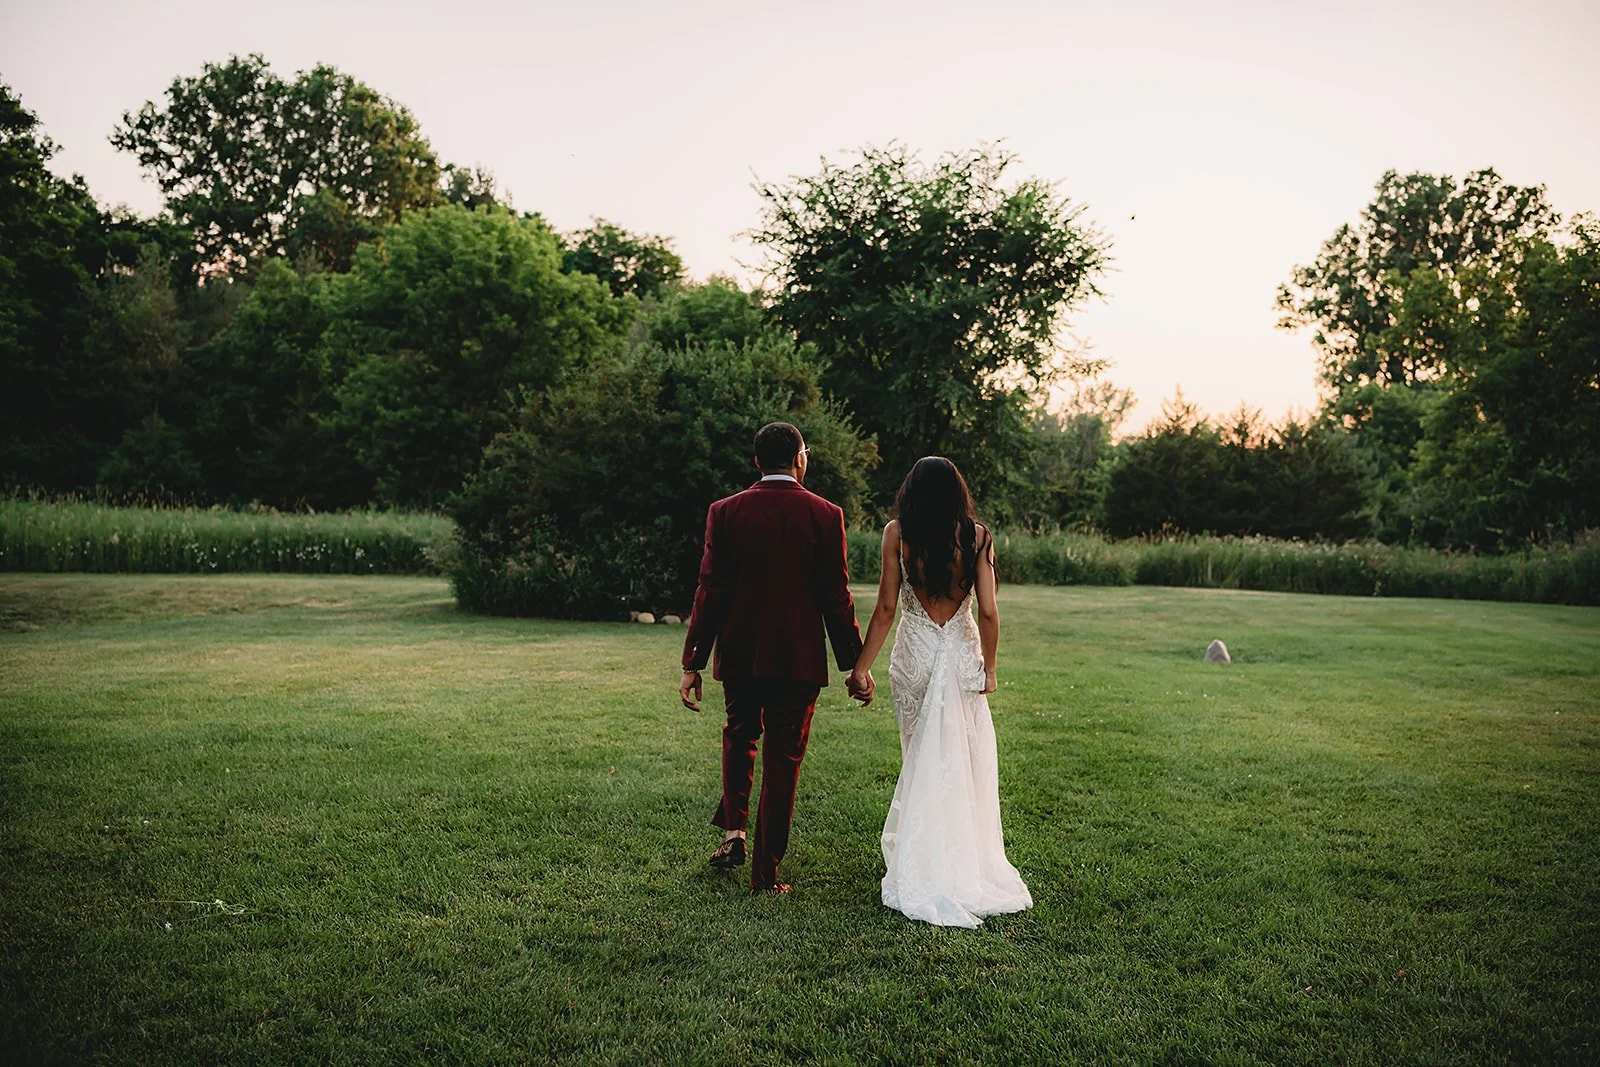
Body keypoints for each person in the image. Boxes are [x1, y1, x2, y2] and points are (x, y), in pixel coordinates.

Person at [679, 422, 869, 894]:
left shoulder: (724, 512)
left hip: (740, 655)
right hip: (797, 662)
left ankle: (733, 833)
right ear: (800, 459)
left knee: (739, 735)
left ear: (757, 461)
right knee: (783, 759)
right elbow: (836, 596)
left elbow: (710, 590)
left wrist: (693, 661)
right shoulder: (826, 514)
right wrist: (853, 665)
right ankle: (765, 875)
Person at [849, 456, 1032, 927]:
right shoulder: (977, 537)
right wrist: (989, 668)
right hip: (959, 650)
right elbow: (988, 611)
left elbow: (887, 607)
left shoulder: (897, 534)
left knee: (920, 758)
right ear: (958, 493)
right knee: (962, 761)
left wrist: (860, 669)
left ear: (911, 490)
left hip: (914, 653)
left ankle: (923, 859)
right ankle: (956, 861)